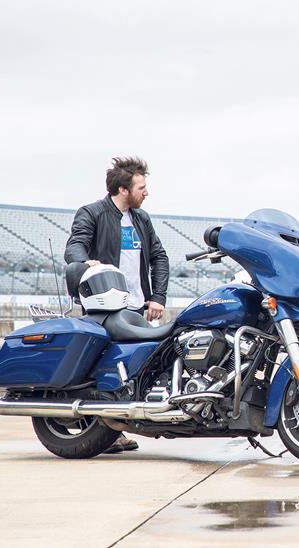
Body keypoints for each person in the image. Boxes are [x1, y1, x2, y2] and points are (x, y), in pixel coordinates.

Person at [64, 156, 170, 453]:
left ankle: (123, 425)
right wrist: (83, 262)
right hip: (105, 306)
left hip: (136, 306)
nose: (146, 192)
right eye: (141, 187)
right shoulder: (93, 213)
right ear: (123, 189)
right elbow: (75, 244)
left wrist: (157, 296)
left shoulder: (141, 219)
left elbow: (159, 257)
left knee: (136, 369)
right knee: (105, 371)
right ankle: (103, 429)